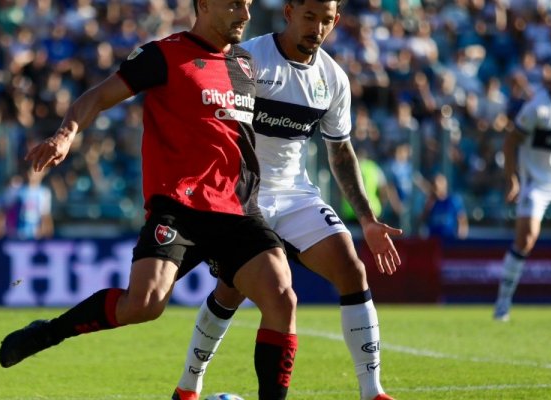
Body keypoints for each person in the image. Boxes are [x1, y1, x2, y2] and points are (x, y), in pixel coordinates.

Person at [0, 0, 300, 398]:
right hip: (179, 208)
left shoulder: (245, 64)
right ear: (205, 6)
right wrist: (66, 133)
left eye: (247, 5)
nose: (245, 14)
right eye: (234, 5)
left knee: (282, 298)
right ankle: (50, 332)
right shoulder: (163, 54)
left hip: (237, 211)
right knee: (144, 305)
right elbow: (100, 96)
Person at [171, 1, 403, 399]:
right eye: (310, 18)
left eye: (326, 21)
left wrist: (366, 219)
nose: (317, 28)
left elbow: (340, 151)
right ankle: (189, 386)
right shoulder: (248, 59)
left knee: (352, 270)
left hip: (295, 195)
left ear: (336, 21)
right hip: (239, 196)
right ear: (290, 12)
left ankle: (373, 391)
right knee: (231, 290)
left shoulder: (333, 78)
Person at [493, 55, 551, 322]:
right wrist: (513, 178)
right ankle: (503, 303)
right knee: (526, 238)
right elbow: (510, 142)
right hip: (536, 182)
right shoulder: (537, 109)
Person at [0, 168, 54, 240]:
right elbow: (3, 210)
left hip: (33, 235)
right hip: (14, 234)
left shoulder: (44, 192)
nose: (31, 173)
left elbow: (45, 215)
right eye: (29, 170)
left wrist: (47, 232)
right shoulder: (16, 189)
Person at [419, 172, 468, 240]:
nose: (436, 187)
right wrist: (428, 205)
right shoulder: (431, 202)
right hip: (433, 240)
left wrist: (461, 237)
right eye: (434, 185)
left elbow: (462, 220)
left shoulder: (453, 200)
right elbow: (422, 220)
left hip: (449, 240)